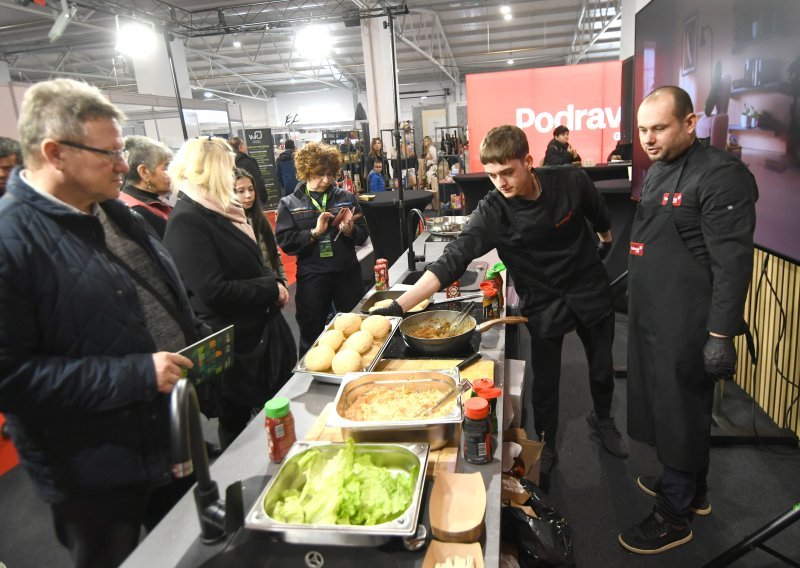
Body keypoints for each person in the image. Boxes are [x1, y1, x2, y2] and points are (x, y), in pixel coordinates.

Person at [0, 78, 201, 567]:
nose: (122, 164)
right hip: (91, 470)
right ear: (54, 153)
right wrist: (136, 375)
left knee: (189, 549)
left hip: (162, 434)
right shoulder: (11, 241)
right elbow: (12, 380)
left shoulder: (111, 211)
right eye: (108, 152)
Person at [373, 124, 626, 476]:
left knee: (601, 368)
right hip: (544, 299)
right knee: (546, 382)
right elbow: (453, 259)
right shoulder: (493, 210)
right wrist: (398, 306)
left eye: (508, 172)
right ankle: (546, 439)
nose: (500, 183)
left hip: (589, 287)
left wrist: (605, 243)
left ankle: (603, 419)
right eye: (492, 175)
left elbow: (599, 213)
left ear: (528, 161)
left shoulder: (570, 180)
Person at [618, 86, 758, 554]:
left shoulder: (722, 177)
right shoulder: (660, 170)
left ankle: (674, 516)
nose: (649, 139)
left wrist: (720, 335)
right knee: (662, 403)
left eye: (659, 128)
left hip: (688, 320)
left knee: (680, 410)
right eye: (642, 130)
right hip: (654, 314)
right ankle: (691, 490)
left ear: (690, 122)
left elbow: (731, 265)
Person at [163, 137, 296, 449]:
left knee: (270, 410)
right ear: (210, 170)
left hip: (254, 335)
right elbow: (213, 290)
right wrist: (269, 287)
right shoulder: (187, 220)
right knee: (236, 423)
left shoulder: (218, 211)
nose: (233, 175)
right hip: (234, 345)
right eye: (228, 168)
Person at [275, 141, 369, 355]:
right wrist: (314, 233)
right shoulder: (289, 204)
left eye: (329, 174)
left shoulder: (346, 198)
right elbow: (287, 243)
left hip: (347, 274)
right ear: (306, 172)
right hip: (313, 277)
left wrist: (349, 231)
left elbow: (363, 236)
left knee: (356, 329)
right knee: (311, 333)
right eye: (319, 174)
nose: (325, 180)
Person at [235, 168, 288, 284]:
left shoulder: (261, 219)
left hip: (272, 285)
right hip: (251, 289)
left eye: (251, 189)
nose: (248, 195)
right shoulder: (229, 225)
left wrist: (283, 281)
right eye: (241, 191)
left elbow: (275, 253)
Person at [120, 135, 174, 238]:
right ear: (144, 172)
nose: (172, 172)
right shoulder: (140, 211)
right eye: (166, 167)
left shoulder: (127, 200)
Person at [229, 136, 267, 205]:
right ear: (240, 147)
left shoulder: (227, 163)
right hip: (253, 200)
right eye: (244, 145)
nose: (246, 147)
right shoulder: (249, 161)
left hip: (235, 201)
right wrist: (263, 197)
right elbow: (258, 181)